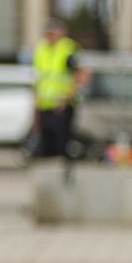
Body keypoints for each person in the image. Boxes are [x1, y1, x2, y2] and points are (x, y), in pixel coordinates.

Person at [31, 18, 88, 162]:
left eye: (54, 33)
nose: (50, 36)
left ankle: (63, 169)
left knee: (62, 142)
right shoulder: (41, 49)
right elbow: (38, 77)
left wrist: (67, 98)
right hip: (45, 104)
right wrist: (36, 99)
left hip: (62, 105)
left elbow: (81, 75)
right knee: (46, 144)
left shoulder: (69, 49)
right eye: (48, 33)